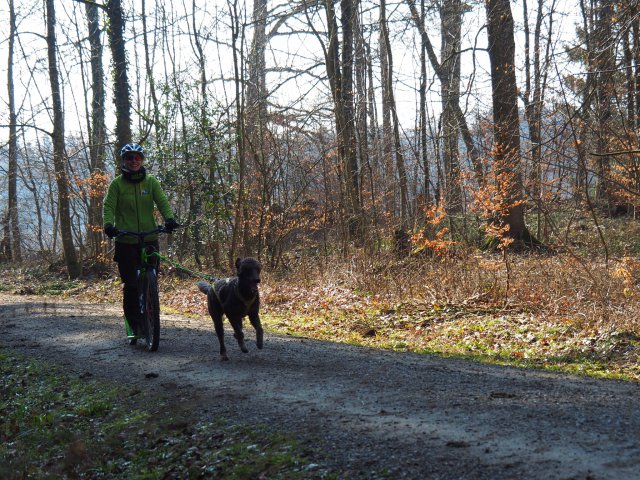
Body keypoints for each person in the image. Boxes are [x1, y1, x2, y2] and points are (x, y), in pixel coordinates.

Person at [103, 143, 179, 340]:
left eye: (137, 157)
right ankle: (134, 324)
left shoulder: (151, 182)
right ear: (124, 161)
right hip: (126, 239)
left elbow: (162, 201)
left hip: (149, 237)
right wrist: (109, 225)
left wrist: (169, 219)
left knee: (151, 278)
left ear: (142, 160)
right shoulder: (117, 184)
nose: (134, 161)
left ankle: (151, 314)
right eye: (129, 158)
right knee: (131, 285)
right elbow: (109, 206)